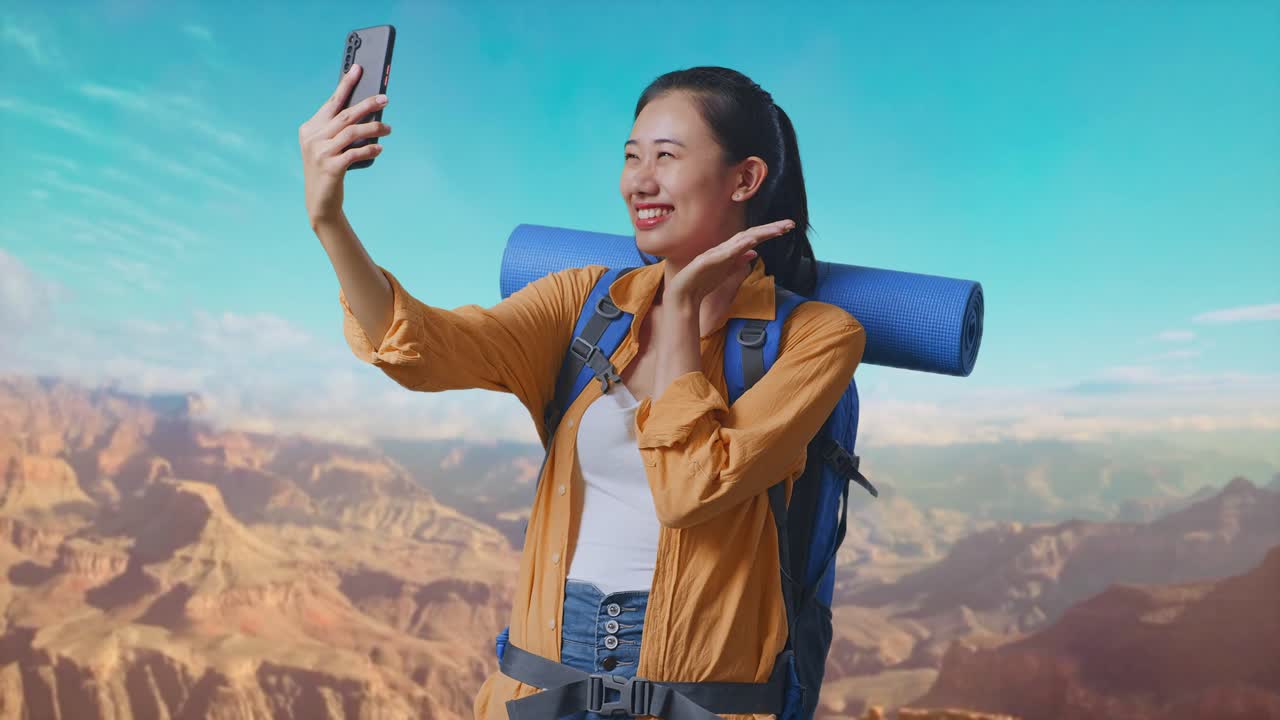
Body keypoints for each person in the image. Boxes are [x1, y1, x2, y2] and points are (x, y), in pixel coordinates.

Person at [301, 63, 866, 720]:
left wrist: (680, 311)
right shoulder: (586, 303)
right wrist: (329, 220)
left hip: (702, 702)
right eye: (631, 157)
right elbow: (423, 349)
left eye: (666, 156)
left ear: (745, 178)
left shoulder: (817, 337)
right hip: (540, 689)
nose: (639, 181)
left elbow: (689, 491)